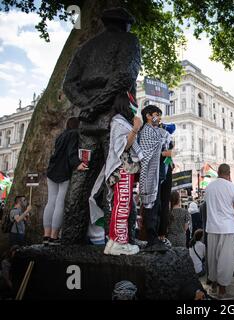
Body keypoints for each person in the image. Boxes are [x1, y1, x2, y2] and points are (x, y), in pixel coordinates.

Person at [61, 8, 141, 245]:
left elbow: (69, 85)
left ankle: (71, 236)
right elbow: (126, 75)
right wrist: (97, 104)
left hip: (87, 122)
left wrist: (88, 105)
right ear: (125, 25)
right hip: (114, 119)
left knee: (81, 179)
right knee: (118, 178)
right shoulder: (129, 41)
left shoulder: (85, 48)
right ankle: (122, 237)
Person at [103, 92, 143, 255]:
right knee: (123, 204)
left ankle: (113, 241)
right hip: (123, 168)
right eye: (132, 104)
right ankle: (120, 242)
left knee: (120, 204)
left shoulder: (117, 121)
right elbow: (124, 146)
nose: (134, 107)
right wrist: (135, 128)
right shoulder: (119, 122)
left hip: (122, 168)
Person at [43, 117, 87, 246]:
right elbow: (71, 152)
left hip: (52, 170)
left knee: (51, 201)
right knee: (59, 202)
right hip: (63, 172)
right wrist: (77, 164)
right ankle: (54, 236)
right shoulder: (74, 134)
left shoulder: (61, 135)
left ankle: (46, 235)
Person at [205, 164, 234, 300]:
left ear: (218, 172)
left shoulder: (209, 187)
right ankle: (222, 291)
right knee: (225, 260)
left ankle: (213, 286)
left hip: (212, 227)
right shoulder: (232, 187)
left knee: (213, 258)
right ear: (229, 173)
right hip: (228, 228)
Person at [139, 105, 172, 251]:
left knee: (157, 205)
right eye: (156, 114)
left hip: (158, 174)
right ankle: (151, 239)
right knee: (151, 206)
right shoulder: (146, 131)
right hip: (149, 175)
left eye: (159, 115)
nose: (158, 118)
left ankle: (155, 238)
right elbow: (146, 153)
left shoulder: (157, 131)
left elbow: (166, 141)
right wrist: (165, 153)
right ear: (148, 115)